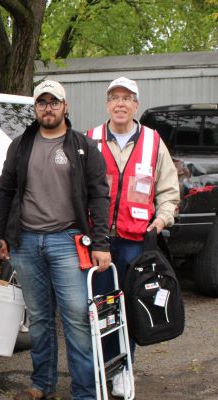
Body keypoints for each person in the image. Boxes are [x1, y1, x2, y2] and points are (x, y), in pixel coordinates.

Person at [0, 80, 111, 400]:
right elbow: (5, 191)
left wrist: (100, 242)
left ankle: (85, 391)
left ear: (65, 106)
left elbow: (99, 196)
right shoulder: (20, 145)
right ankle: (41, 385)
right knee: (40, 318)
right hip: (26, 243)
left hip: (68, 242)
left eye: (54, 102)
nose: (48, 107)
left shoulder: (83, 147)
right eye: (42, 102)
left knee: (75, 317)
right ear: (35, 108)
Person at [87, 77, 180, 397]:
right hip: (98, 242)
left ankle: (124, 369)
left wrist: (161, 219)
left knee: (129, 309)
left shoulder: (154, 142)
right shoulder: (92, 140)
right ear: (107, 104)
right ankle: (102, 367)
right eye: (114, 97)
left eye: (127, 98)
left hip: (135, 242)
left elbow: (169, 192)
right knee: (100, 308)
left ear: (136, 105)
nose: (120, 103)